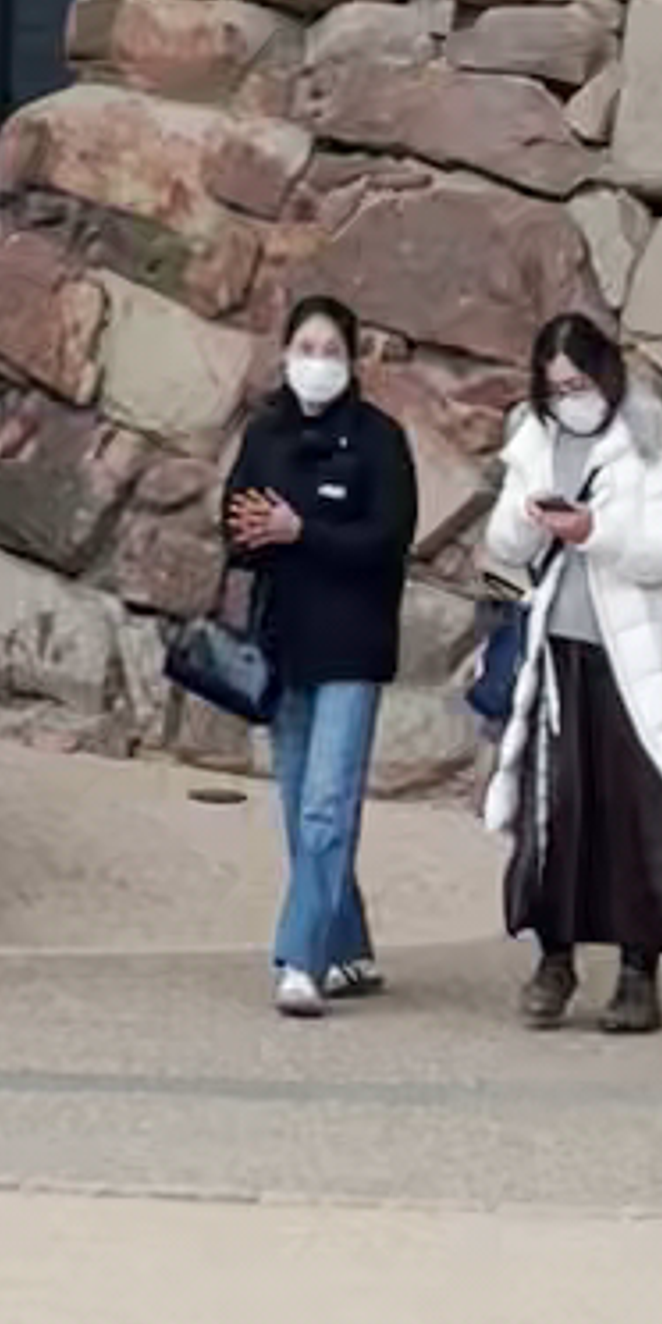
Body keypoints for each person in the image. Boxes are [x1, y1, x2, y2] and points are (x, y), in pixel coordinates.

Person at [481, 309, 662, 1035]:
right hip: (559, 652)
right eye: (556, 385)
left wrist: (593, 531)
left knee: (640, 813)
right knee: (556, 808)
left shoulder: (645, 443)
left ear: (603, 372)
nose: (570, 395)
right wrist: (530, 509)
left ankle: (640, 971)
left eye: (578, 380)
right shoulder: (535, 437)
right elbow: (503, 540)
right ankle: (555, 956)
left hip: (632, 658)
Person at [222, 293, 420, 1017]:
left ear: (352, 358)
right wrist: (255, 529)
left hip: (353, 644)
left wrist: (301, 528)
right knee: (300, 804)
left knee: (327, 807)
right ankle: (348, 942)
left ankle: (298, 957)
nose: (315, 361)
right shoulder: (266, 434)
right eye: (304, 346)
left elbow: (386, 538)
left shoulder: (379, 439)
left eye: (330, 348)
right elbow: (234, 518)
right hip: (283, 642)